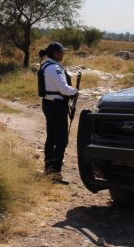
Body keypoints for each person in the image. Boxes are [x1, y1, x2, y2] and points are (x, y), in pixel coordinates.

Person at [38, 41, 78, 185]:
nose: (63, 54)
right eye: (62, 52)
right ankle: (55, 174)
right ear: (55, 53)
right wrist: (76, 91)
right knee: (62, 140)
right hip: (56, 106)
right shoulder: (54, 68)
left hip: (49, 104)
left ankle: (49, 170)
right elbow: (64, 89)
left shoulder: (45, 65)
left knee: (52, 137)